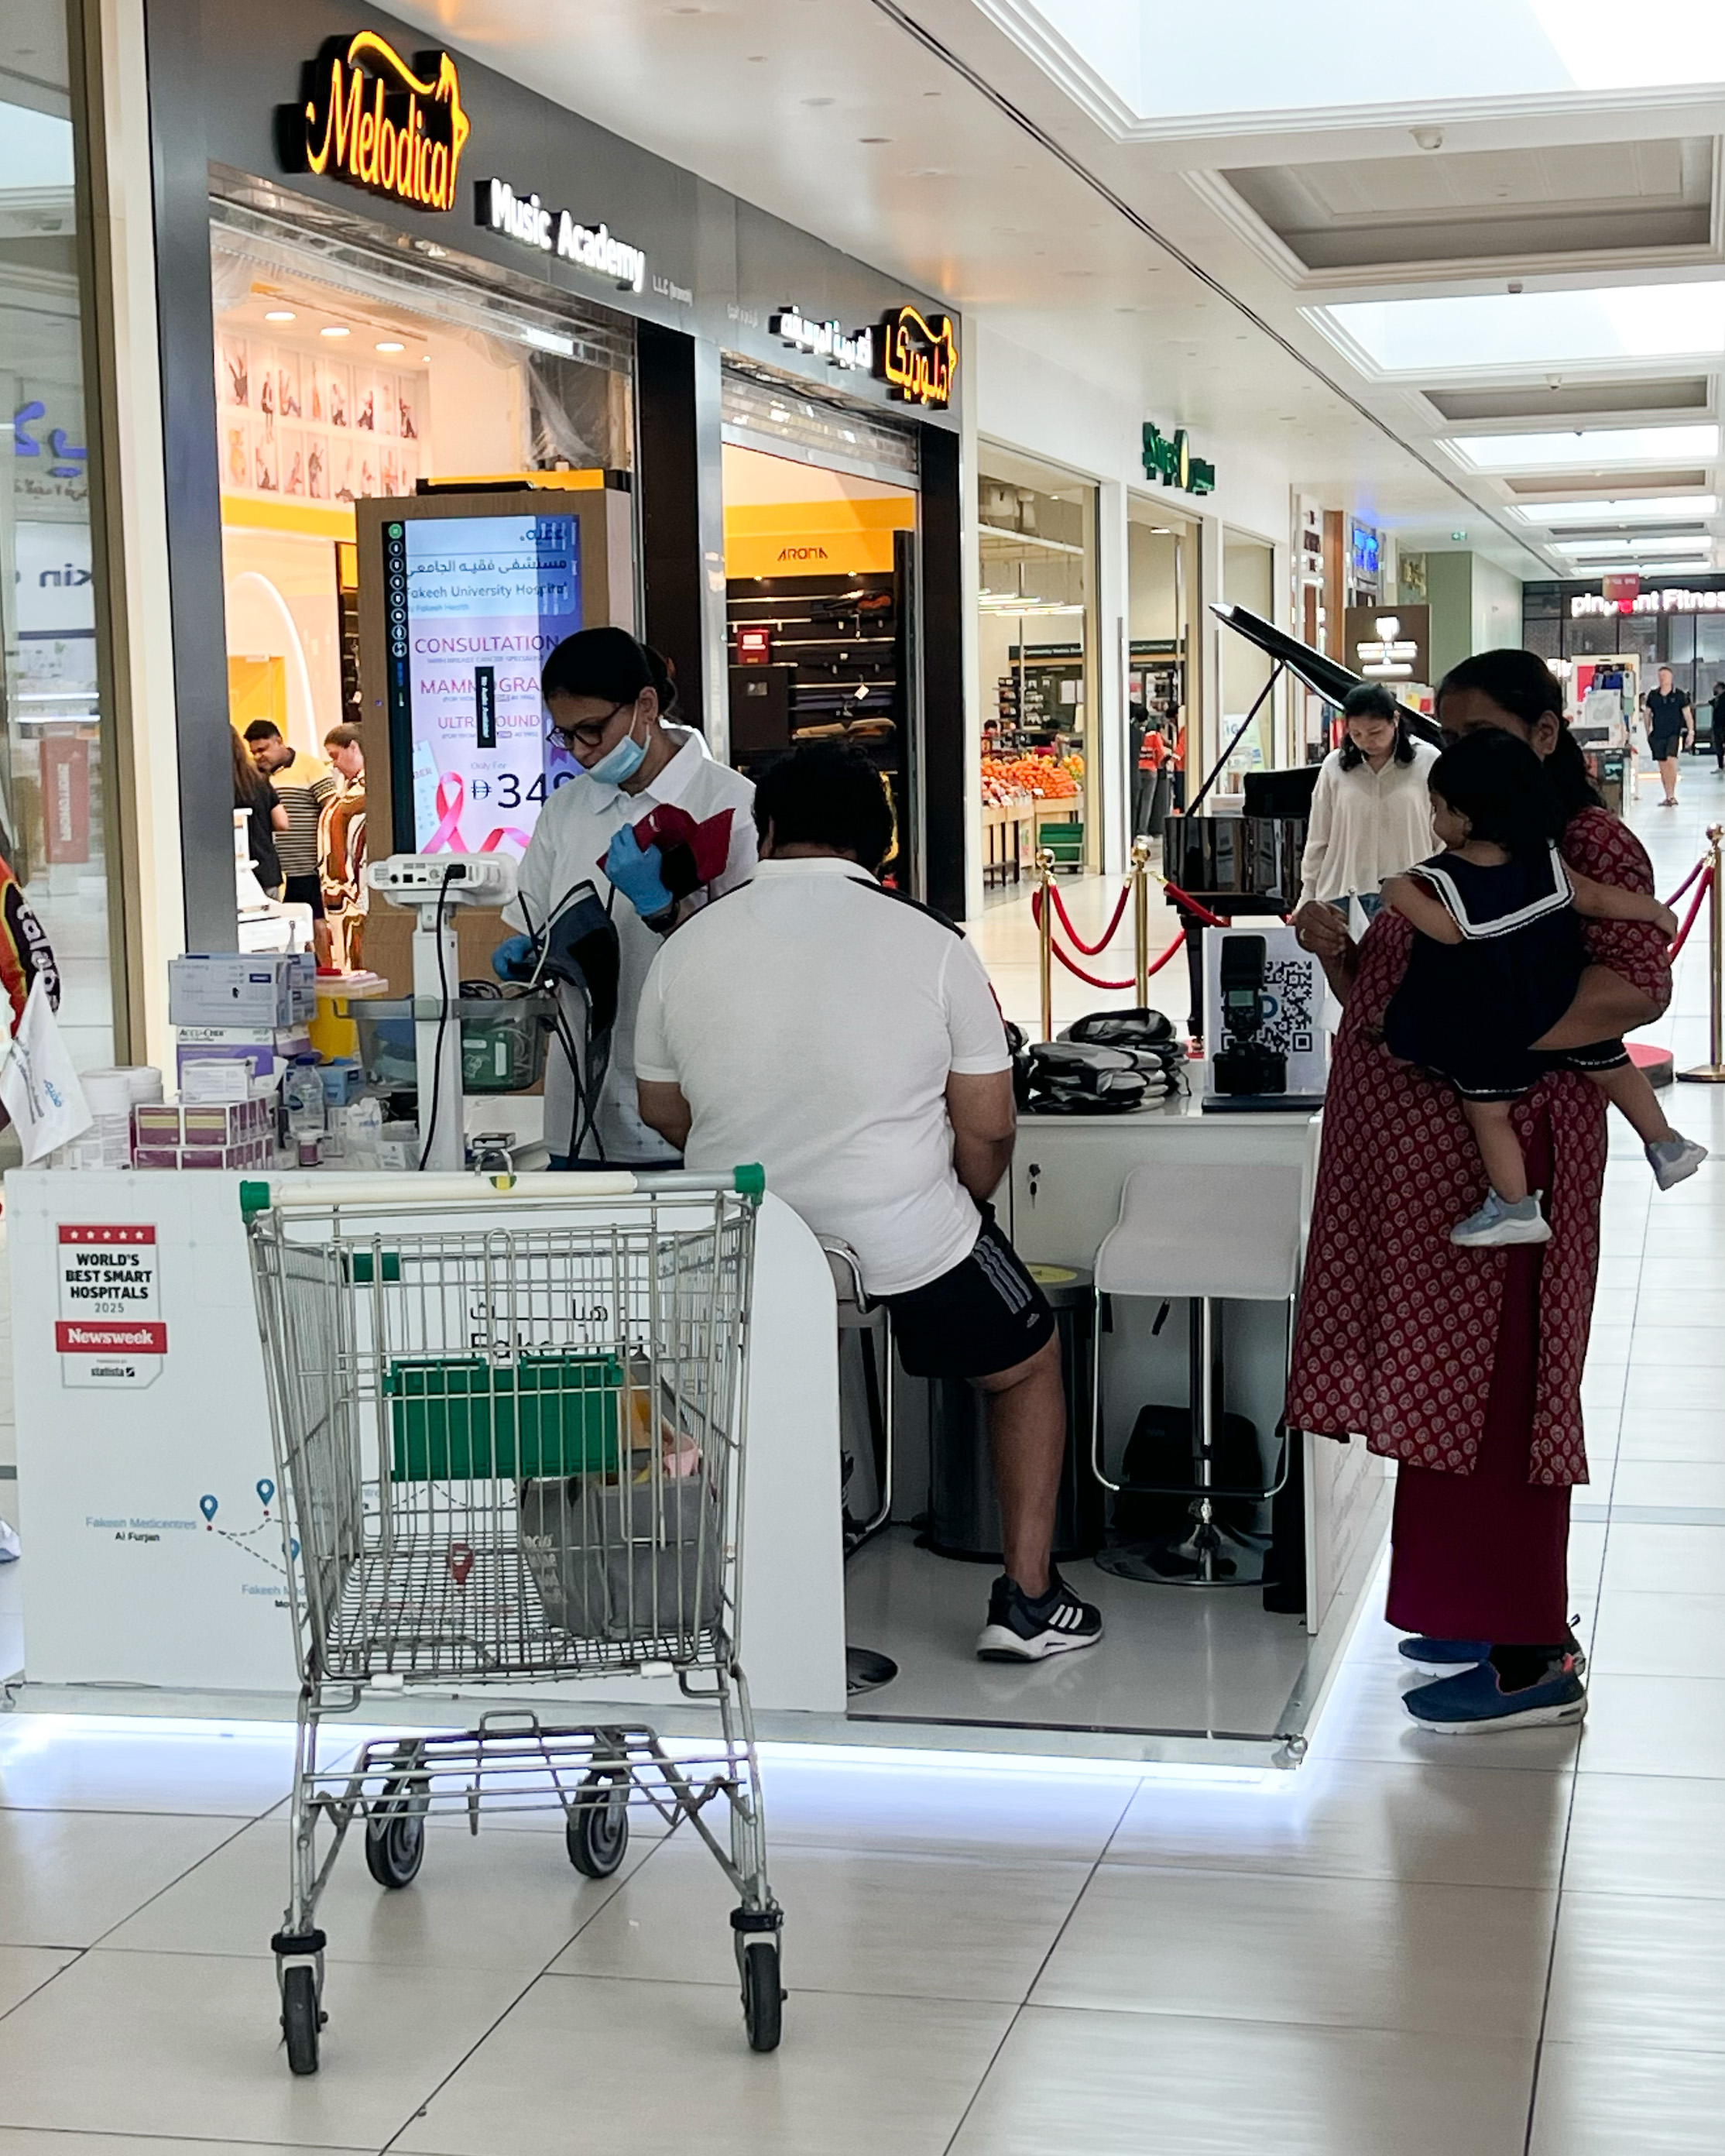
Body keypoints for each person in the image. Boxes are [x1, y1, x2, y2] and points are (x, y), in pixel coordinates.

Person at [634, 740, 1103, 1664]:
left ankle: (742, 1611)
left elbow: (661, 1110)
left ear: (766, 829)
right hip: (903, 1234)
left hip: (741, 1242)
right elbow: (989, 1123)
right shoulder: (932, 943)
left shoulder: (687, 945)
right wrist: (961, 1202)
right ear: (881, 843)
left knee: (735, 1399)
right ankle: (1027, 1600)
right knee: (1026, 1361)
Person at [1288, 649, 1672, 1733]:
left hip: (1507, 1165)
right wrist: (1341, 958)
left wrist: (1486, 1045)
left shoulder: (1582, 844)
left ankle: (1527, 1655)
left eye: (1476, 736)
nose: (1452, 757)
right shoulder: (1473, 842)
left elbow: (1631, 989)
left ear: (1546, 734)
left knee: (1505, 1393)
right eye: (1447, 738)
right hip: (1430, 1173)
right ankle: (1466, 1611)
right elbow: (1408, 1000)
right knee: (1444, 1389)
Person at [1380, 728, 1703, 1248]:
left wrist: (1398, 892)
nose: (1435, 820)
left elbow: (1450, 930)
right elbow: (1594, 898)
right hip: (1561, 1000)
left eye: (1437, 807)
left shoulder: (1445, 878)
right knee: (1612, 1065)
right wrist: (1654, 911)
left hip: (1500, 1022)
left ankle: (1514, 1206)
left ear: (1465, 817)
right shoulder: (1544, 859)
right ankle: (1667, 1145)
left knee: (1489, 1112)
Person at [499, 627, 755, 1166]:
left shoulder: (731, 805)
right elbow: (534, 917)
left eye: (592, 730)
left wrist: (667, 909)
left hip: (690, 1103)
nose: (580, 751)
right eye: (565, 735)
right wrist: (532, 955)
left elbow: (752, 960)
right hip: (582, 1107)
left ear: (646, 706)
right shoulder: (566, 810)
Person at [1297, 683, 1438, 914]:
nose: (1366, 741)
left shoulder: (1428, 761)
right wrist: (1307, 897)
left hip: (1410, 896)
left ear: (1395, 720)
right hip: (1342, 894)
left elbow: (1441, 838)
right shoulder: (1334, 767)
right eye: (1356, 734)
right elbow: (1318, 838)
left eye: (1375, 732)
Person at [244, 720, 338, 964]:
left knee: (316, 922)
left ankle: (326, 971)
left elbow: (332, 811)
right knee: (288, 927)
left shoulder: (310, 767)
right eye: (254, 752)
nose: (259, 756)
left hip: (307, 863)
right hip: (277, 867)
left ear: (279, 741)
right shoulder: (256, 777)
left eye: (263, 749)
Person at [320, 726, 366, 968]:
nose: (335, 765)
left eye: (335, 756)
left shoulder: (372, 791)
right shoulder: (347, 789)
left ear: (353, 748)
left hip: (358, 891)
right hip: (338, 893)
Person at [231, 726, 286, 896]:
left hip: (231, 873)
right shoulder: (259, 779)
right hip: (266, 870)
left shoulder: (212, 784)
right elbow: (282, 823)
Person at [1642, 664, 1693, 806]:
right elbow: (1647, 714)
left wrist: (1691, 732)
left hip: (1673, 734)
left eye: (1665, 676)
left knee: (1671, 761)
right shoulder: (1653, 695)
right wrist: (1647, 731)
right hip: (1658, 734)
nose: (1662, 679)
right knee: (1663, 766)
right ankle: (1668, 794)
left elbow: (1687, 715)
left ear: (1671, 678)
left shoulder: (1679, 695)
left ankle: (1672, 794)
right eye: (1660, 676)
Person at [1710, 681, 1725, 773]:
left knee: (1721, 746)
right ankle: (1721, 766)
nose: (1714, 689)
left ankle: (1721, 766)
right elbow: (1708, 703)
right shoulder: (1717, 699)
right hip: (1718, 726)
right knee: (1719, 746)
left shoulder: (1723, 699)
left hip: (1722, 726)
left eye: (1715, 688)